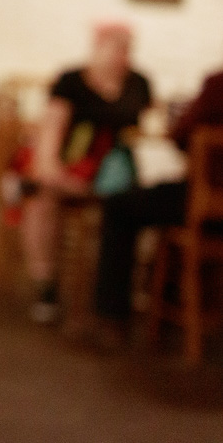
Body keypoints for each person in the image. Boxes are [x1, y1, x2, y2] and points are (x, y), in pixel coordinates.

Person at [20, 22, 153, 324]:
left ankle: (118, 289)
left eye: (127, 48)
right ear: (98, 47)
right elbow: (52, 128)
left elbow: (146, 129)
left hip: (115, 170)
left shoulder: (138, 83)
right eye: (117, 47)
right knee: (43, 196)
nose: (123, 56)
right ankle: (47, 284)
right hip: (74, 162)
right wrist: (52, 169)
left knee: (133, 204)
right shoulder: (72, 81)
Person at [92, 67, 223, 342]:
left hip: (209, 207)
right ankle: (175, 297)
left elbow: (180, 135)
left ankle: (111, 317)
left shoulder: (218, 84)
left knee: (120, 206)